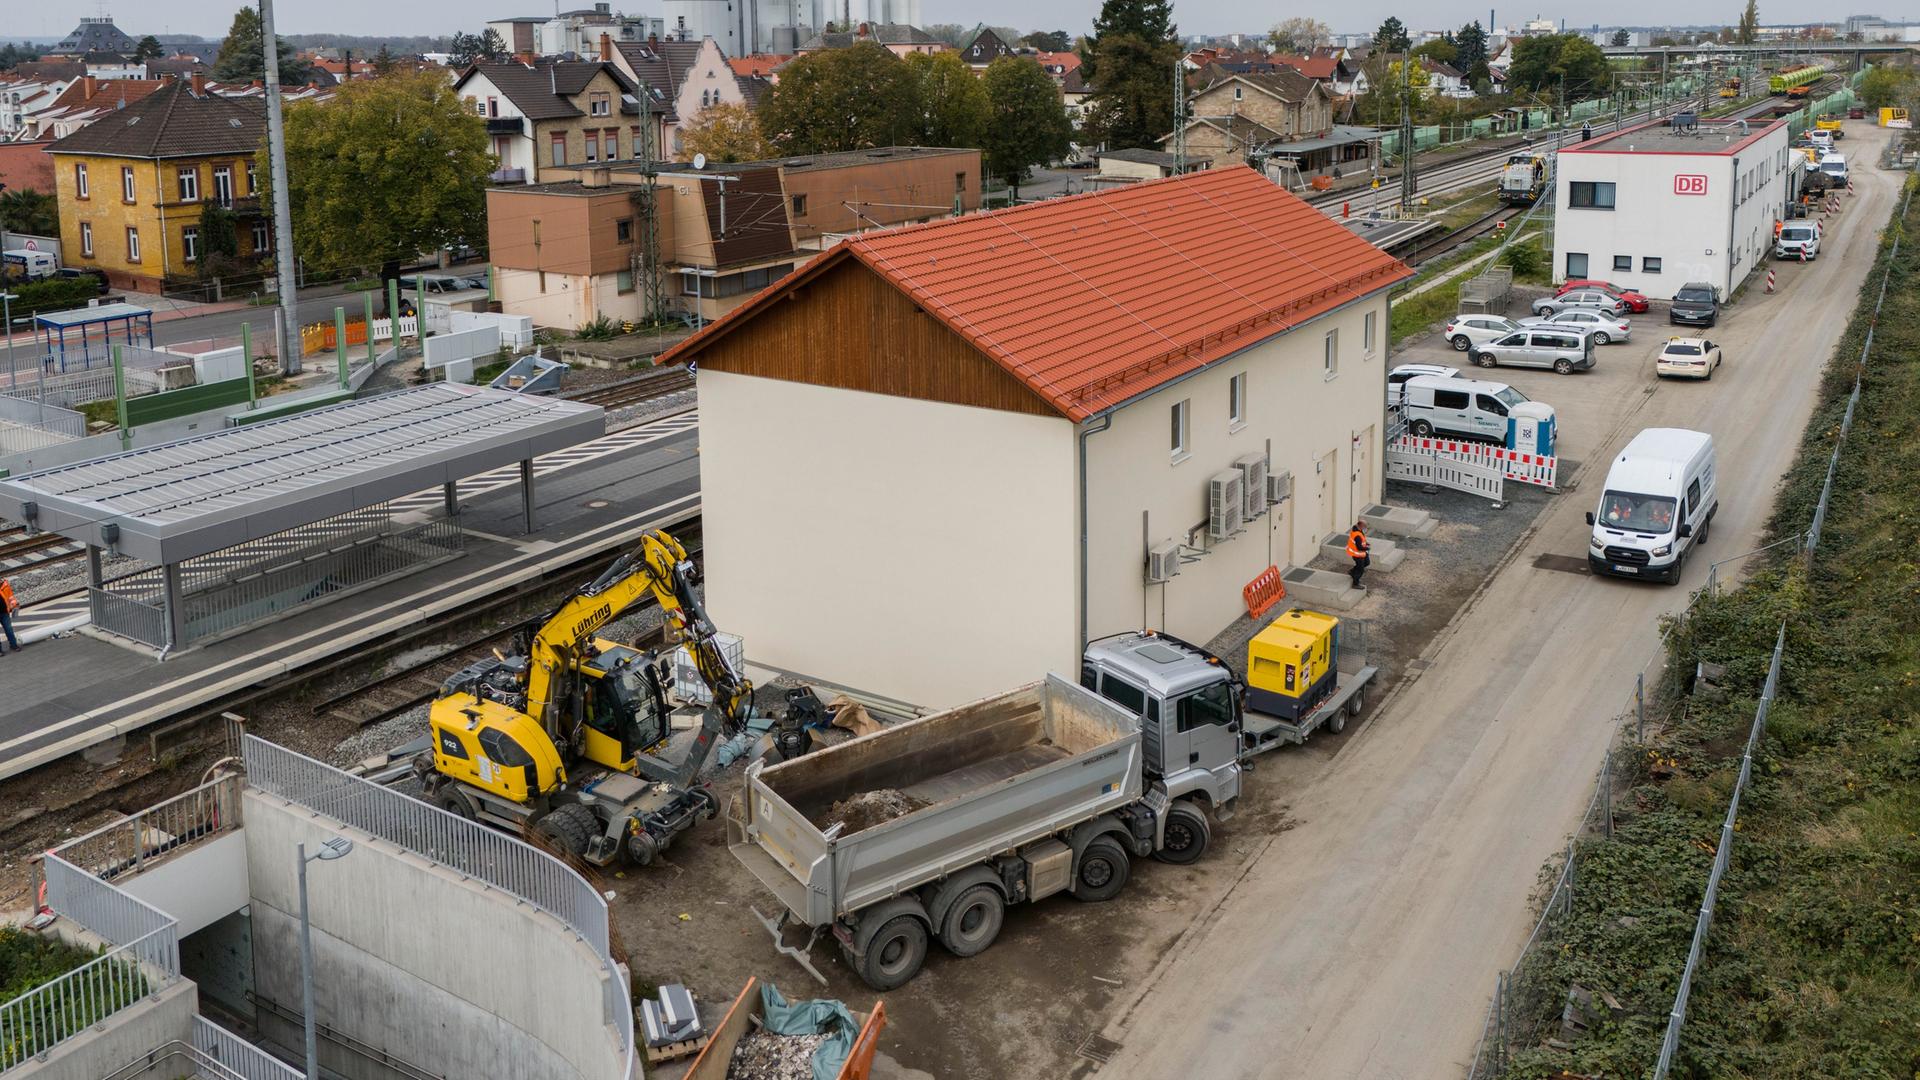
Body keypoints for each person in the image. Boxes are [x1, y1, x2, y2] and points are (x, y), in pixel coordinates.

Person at [1346, 521, 1372, 590]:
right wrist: (1367, 548)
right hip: (1357, 554)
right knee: (1360, 570)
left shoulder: (1358, 530)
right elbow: (1359, 547)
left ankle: (1352, 571)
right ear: (1361, 526)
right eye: (1365, 526)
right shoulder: (1357, 534)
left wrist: (1365, 543)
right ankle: (1355, 583)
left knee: (1367, 563)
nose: (1365, 528)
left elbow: (1361, 541)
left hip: (1362, 553)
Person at [0, 576, 19, 656]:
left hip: (4, 612)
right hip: (4, 612)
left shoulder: (4, 584)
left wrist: (14, 605)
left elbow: (10, 596)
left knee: (9, 629)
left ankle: (14, 645)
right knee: (9, 629)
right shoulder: (4, 584)